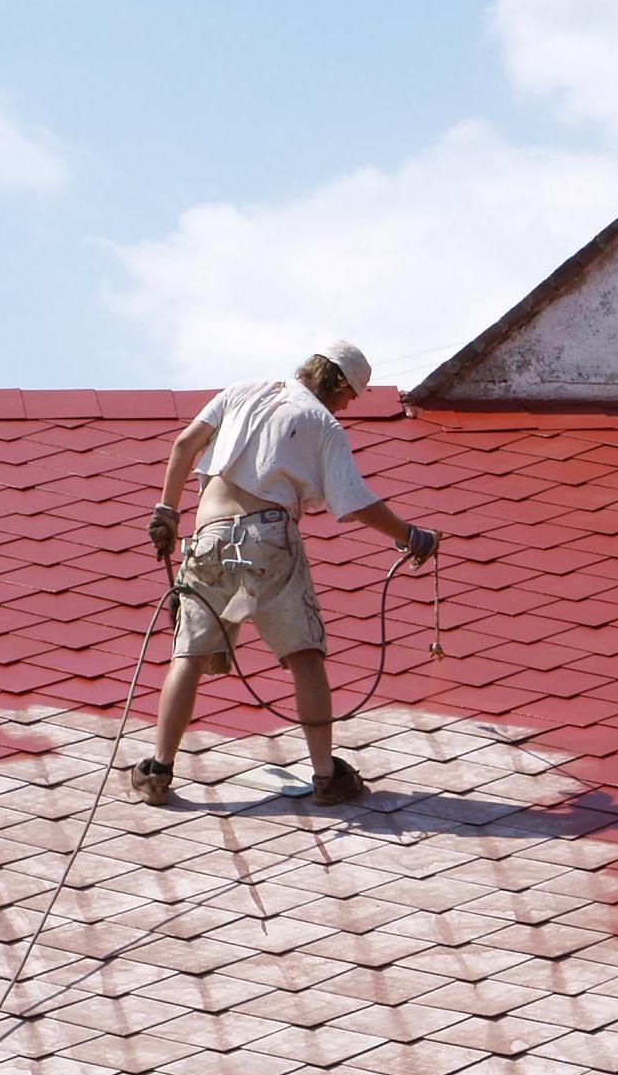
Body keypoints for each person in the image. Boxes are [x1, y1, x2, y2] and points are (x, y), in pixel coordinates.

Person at [128, 339, 437, 808]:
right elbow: (353, 501)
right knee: (304, 656)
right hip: (267, 536)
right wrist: (409, 534)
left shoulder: (243, 390)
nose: (348, 407)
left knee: (188, 654)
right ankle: (327, 776)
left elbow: (185, 444)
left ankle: (159, 770)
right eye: (350, 397)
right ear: (339, 388)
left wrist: (166, 512)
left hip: (208, 536)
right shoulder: (322, 423)